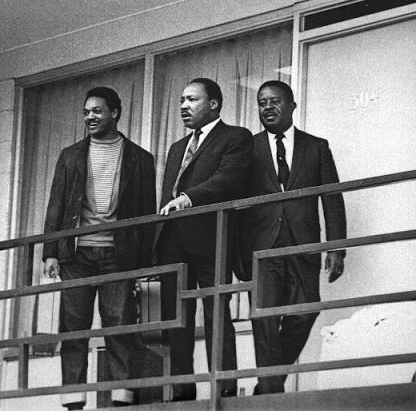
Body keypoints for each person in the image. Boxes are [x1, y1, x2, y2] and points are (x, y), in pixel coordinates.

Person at [42, 87, 156, 409]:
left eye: (97, 111)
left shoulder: (140, 158)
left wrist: (144, 264)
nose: (90, 117)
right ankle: (73, 400)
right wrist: (51, 251)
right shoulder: (70, 155)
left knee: (119, 326)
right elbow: (57, 205)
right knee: (73, 327)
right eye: (86, 112)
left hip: (118, 256)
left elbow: (147, 213)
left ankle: (121, 396)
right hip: (77, 255)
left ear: (115, 113)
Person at [240, 80, 346, 394]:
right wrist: (237, 256)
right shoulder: (248, 148)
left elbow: (332, 198)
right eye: (262, 103)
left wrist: (336, 248)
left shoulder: (316, 147)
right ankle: (271, 393)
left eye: (274, 101)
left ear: (291, 106)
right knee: (265, 320)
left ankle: (269, 384)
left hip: (304, 243)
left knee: (307, 309)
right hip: (262, 249)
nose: (267, 108)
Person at [155, 78, 252, 401]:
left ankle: (223, 389)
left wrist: (188, 198)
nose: (183, 106)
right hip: (173, 242)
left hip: (213, 239)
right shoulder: (176, 148)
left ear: (213, 104)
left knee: (216, 314)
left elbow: (229, 179)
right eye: (181, 100)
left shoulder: (235, 137)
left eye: (192, 100)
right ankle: (181, 390)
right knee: (176, 319)